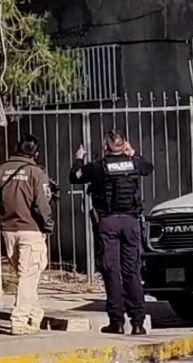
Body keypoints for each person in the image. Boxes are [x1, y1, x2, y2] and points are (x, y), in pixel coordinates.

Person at [69, 130, 154, 336]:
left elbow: (75, 177)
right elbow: (148, 167)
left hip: (107, 223)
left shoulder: (98, 167)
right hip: (131, 222)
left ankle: (116, 322)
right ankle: (137, 323)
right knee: (132, 271)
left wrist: (79, 159)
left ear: (106, 147)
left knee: (111, 272)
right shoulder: (134, 163)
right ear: (124, 145)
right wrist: (133, 154)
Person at [0, 133, 55, 335]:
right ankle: (19, 320)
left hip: (8, 231)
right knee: (28, 276)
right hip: (31, 231)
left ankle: (35, 313)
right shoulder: (36, 173)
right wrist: (47, 226)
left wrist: (0, 221)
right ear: (36, 153)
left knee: (25, 275)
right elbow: (43, 205)